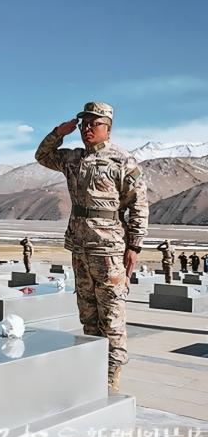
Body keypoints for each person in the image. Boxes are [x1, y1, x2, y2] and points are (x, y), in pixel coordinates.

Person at [35, 101, 148, 393]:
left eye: (94, 123)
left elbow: (138, 205)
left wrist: (134, 246)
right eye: (84, 123)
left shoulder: (122, 160)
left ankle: (111, 375)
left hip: (108, 249)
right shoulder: (73, 158)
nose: (87, 128)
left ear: (107, 128)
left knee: (111, 313)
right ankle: (93, 368)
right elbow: (42, 156)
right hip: (80, 247)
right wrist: (58, 133)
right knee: (88, 313)